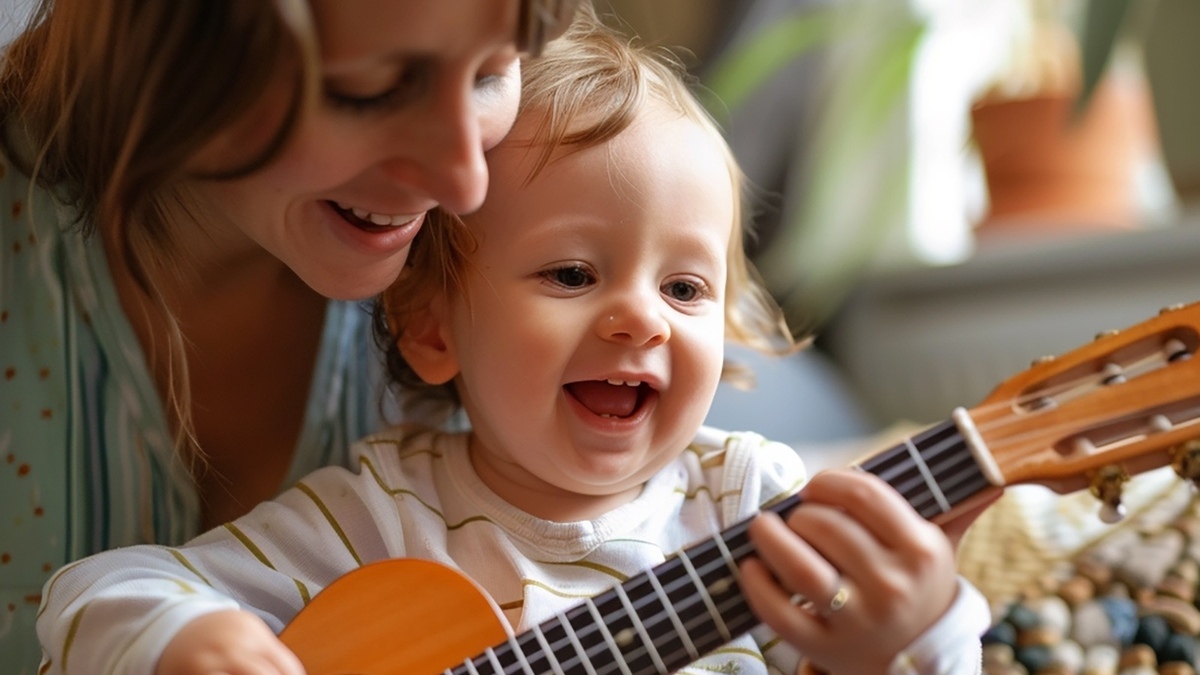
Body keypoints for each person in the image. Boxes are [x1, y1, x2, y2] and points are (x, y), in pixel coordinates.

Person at [35, 10, 991, 675]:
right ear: (430, 327)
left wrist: (918, 635)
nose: (641, 319)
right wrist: (187, 640)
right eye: (572, 276)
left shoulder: (752, 502)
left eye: (687, 287)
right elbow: (108, 587)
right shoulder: (380, 513)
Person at [0, 0, 582, 671]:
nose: (462, 180)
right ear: (169, 48)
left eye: (491, 72)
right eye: (367, 90)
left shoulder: (520, 233)